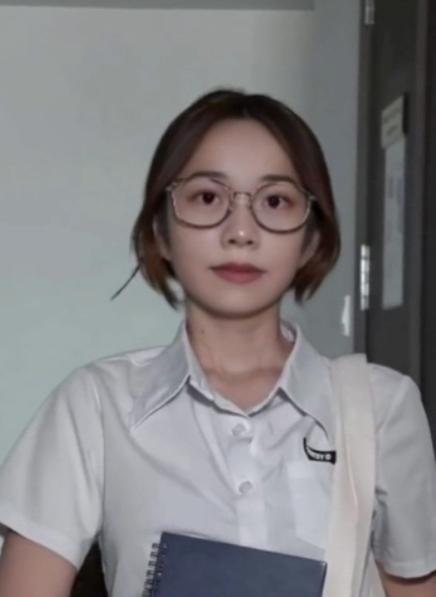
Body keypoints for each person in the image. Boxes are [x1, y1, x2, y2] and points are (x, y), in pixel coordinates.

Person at [0, 89, 435, 597]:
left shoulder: (381, 407)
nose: (241, 231)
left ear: (312, 237)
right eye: (208, 197)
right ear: (161, 230)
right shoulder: (96, 406)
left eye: (275, 201)